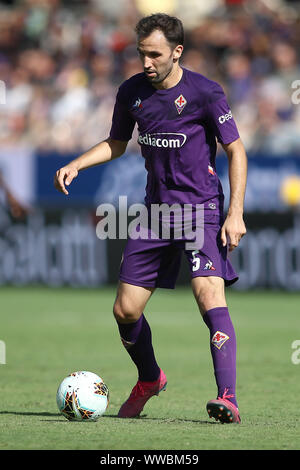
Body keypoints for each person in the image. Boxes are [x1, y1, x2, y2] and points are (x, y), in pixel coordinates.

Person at [54, 13, 247, 424]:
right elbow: (117, 142)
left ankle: (227, 397)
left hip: (201, 211)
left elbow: (236, 151)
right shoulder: (131, 92)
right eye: (142, 53)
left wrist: (235, 212)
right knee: (125, 310)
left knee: (209, 294)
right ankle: (150, 378)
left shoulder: (206, 93)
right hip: (156, 213)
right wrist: (77, 164)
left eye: (155, 54)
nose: (146, 62)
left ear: (177, 52)